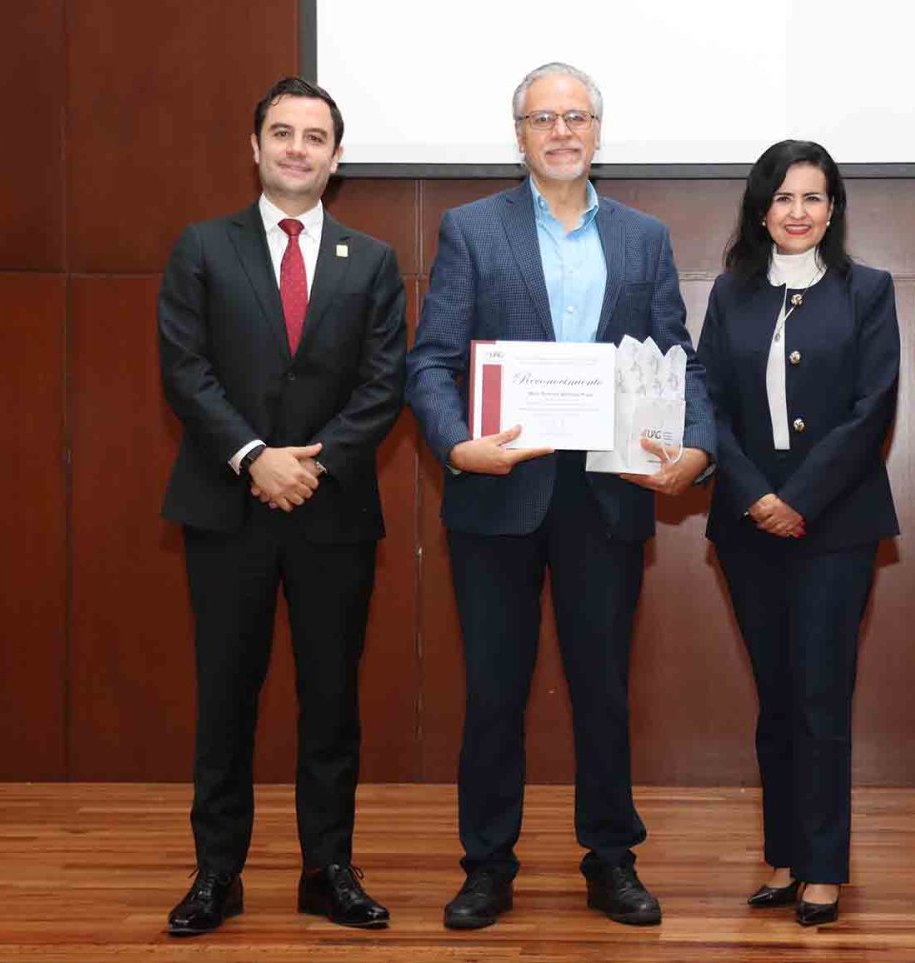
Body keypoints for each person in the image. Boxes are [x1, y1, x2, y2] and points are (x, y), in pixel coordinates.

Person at [403, 62, 716, 930]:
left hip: (608, 496)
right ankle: (486, 865)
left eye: (576, 116)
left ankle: (611, 858)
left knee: (603, 690)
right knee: (493, 692)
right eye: (544, 118)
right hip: (497, 492)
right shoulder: (472, 229)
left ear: (597, 132)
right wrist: (456, 444)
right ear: (520, 136)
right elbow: (431, 361)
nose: (562, 131)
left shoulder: (644, 238)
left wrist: (697, 448)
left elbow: (678, 359)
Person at [158, 76, 404, 936]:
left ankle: (328, 869)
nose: (298, 149)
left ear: (337, 157)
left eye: (315, 137)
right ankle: (215, 874)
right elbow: (184, 369)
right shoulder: (202, 246)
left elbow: (384, 383)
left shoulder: (372, 260)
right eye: (283, 133)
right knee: (225, 697)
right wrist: (255, 457)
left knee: (332, 700)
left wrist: (313, 464)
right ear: (255, 146)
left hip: (333, 513)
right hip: (228, 504)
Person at [697, 141, 900, 926]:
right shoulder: (730, 294)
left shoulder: (868, 290)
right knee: (776, 696)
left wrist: (799, 499)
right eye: (783, 197)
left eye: (813, 197)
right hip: (747, 523)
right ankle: (783, 856)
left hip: (836, 523)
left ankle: (823, 867)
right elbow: (708, 403)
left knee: (820, 694)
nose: (797, 211)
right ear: (760, 209)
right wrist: (755, 495)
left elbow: (872, 409)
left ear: (833, 209)